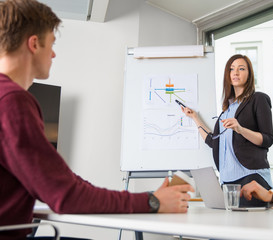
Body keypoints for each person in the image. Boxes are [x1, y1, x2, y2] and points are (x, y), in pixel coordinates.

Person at [0, 0, 194, 239]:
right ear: (33, 43)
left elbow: (61, 181)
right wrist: (152, 202)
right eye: (51, 44)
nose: (53, 53)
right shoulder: (12, 102)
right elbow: (65, 195)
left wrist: (151, 198)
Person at [181, 54, 273, 207]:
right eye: (232, 69)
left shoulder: (258, 99)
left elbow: (267, 139)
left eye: (241, 68)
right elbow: (213, 141)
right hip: (227, 181)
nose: (236, 72)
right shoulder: (226, 111)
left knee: (252, 226)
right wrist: (195, 118)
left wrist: (240, 129)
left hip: (250, 177)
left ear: (249, 74)